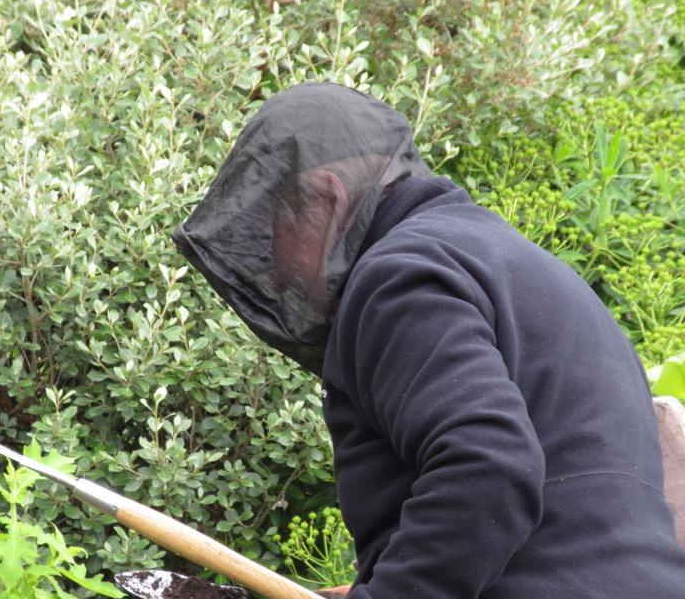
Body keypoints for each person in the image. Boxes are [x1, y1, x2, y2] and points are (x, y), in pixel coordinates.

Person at [172, 82, 685, 598]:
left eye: (272, 239)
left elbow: (490, 469)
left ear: (328, 201)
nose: (276, 277)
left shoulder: (400, 278)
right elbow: (575, 513)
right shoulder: (516, 265)